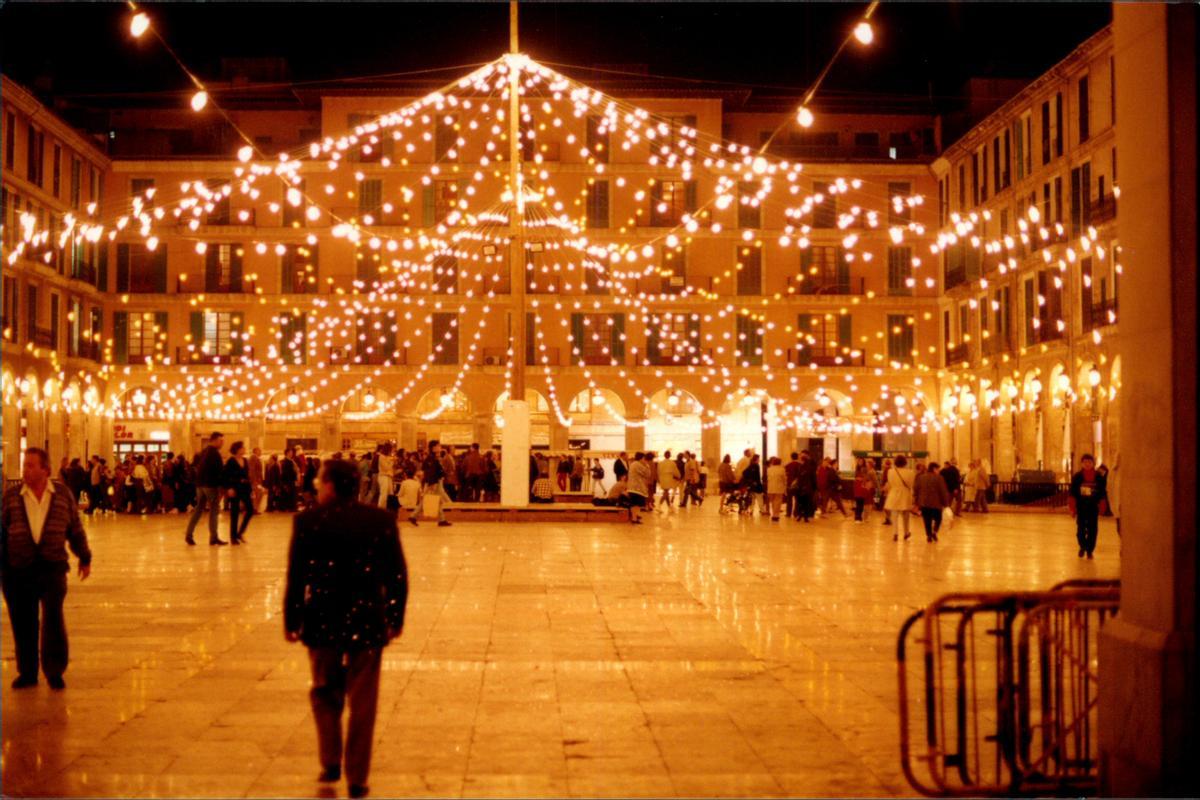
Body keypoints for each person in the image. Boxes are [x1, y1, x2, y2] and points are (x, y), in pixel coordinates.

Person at [284, 459, 408, 799]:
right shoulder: (378, 521)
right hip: (367, 621)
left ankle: (329, 761)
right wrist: (394, 618)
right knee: (364, 702)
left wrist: (292, 620)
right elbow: (397, 573)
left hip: (322, 620)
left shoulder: (309, 522)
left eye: (319, 482)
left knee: (325, 693)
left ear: (331, 486)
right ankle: (357, 776)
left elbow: (296, 576)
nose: (315, 487)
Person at [1, 447, 92, 690]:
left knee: (53, 620)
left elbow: (74, 528)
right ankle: (28, 671)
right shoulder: (11, 496)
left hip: (52, 567)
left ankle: (54, 670)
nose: (25, 470)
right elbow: (1, 532)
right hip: (18, 570)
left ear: (46, 469)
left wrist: (84, 556)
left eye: (31, 465)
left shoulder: (61, 494)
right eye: (24, 465)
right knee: (23, 622)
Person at [185, 432, 228, 546]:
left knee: (198, 509)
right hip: (210, 486)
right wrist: (222, 487)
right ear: (213, 440)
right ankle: (213, 537)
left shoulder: (203, 452)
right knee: (214, 510)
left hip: (200, 485)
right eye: (220, 441)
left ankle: (189, 535)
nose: (222, 443)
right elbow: (219, 472)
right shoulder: (215, 453)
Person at [1069, 454, 1108, 559]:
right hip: (1081, 507)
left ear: (1093, 463)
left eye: (1089, 462)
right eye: (1085, 462)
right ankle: (1082, 546)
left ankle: (1090, 550)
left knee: (1093, 530)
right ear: (1082, 463)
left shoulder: (1099, 477)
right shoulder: (1077, 477)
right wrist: (1072, 508)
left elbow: (1102, 493)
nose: (1087, 464)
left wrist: (1102, 506)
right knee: (1080, 529)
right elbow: (1073, 493)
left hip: (1093, 507)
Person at [223, 441, 254, 544]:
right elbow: (225, 476)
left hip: (245, 488)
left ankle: (240, 533)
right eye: (243, 447)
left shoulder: (245, 460)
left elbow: (247, 476)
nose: (244, 449)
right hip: (235, 489)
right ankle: (233, 537)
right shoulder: (230, 461)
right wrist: (229, 488)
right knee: (234, 513)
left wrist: (251, 490)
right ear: (237, 449)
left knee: (250, 510)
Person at [914, 462, 951, 542]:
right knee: (938, 518)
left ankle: (929, 535)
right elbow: (943, 491)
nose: (939, 471)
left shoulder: (921, 477)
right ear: (934, 469)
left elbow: (916, 489)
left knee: (927, 520)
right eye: (938, 469)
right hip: (936, 503)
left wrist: (916, 501)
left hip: (924, 503)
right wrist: (946, 503)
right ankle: (934, 531)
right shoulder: (939, 478)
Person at [884, 455, 917, 542]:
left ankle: (895, 533)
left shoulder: (890, 472)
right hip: (905, 494)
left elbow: (890, 483)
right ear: (905, 462)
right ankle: (906, 532)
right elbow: (911, 484)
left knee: (894, 514)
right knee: (906, 515)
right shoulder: (910, 472)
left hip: (894, 493)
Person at [421, 441, 452, 527]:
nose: (440, 447)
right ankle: (414, 515)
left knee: (437, 499)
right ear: (433, 448)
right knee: (432, 499)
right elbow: (431, 472)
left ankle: (442, 519)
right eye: (438, 446)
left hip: (436, 481)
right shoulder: (432, 458)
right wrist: (432, 482)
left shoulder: (435, 457)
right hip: (434, 482)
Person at [626, 452, 651, 525]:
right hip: (636, 488)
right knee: (636, 504)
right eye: (644, 458)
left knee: (635, 504)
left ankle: (634, 517)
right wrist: (647, 465)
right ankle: (634, 518)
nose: (645, 460)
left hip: (633, 487)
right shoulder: (637, 464)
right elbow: (648, 474)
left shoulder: (634, 464)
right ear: (641, 458)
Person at [853, 458, 878, 523]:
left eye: (862, 461)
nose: (860, 462)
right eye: (859, 461)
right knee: (860, 502)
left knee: (864, 503)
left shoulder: (869, 471)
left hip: (865, 488)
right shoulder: (858, 469)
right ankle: (859, 517)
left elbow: (871, 480)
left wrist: (874, 486)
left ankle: (862, 517)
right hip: (860, 487)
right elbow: (856, 477)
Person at [765, 456, 787, 521]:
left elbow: (768, 478)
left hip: (771, 488)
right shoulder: (782, 469)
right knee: (778, 501)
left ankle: (774, 514)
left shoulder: (769, 469)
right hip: (779, 487)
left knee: (773, 502)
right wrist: (785, 485)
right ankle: (776, 515)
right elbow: (784, 479)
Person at [375, 444, 396, 510]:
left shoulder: (386, 457)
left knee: (390, 494)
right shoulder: (382, 457)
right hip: (383, 476)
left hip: (388, 477)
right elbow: (386, 467)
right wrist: (392, 462)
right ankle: (380, 509)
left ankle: (388, 509)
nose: (392, 451)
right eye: (391, 449)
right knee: (384, 494)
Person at [249, 447, 265, 513]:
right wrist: (254, 480)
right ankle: (254, 508)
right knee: (257, 494)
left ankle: (254, 508)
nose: (261, 452)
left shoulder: (257, 458)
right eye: (259, 451)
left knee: (257, 494)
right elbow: (252, 470)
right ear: (255, 451)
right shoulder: (253, 458)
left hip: (257, 481)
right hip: (256, 481)